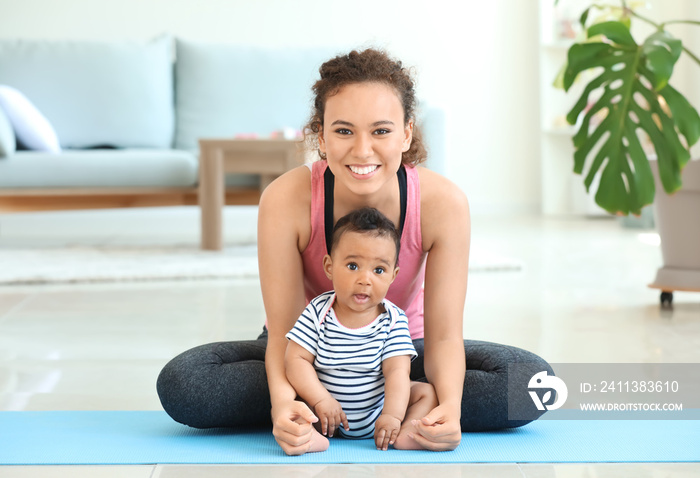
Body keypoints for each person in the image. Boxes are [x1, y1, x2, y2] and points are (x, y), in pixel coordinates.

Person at [156, 48, 553, 456]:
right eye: (344, 131)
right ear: (320, 134)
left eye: (381, 131)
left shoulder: (443, 203)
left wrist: (451, 407)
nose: (362, 151)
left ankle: (402, 406)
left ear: (407, 133)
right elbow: (283, 333)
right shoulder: (285, 199)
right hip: (307, 355)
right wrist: (282, 402)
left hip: (401, 354)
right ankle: (325, 411)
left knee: (535, 385)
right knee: (185, 383)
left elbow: (445, 336)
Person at [285, 207, 437, 452]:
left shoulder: (393, 319)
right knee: (293, 397)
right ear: (329, 266)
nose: (365, 279)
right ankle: (309, 436)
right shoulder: (317, 310)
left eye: (379, 270)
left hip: (378, 414)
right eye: (353, 266)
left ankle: (406, 429)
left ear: (393, 276)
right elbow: (296, 360)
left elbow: (397, 371)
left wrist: (393, 415)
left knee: (425, 393)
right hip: (324, 413)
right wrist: (320, 399)